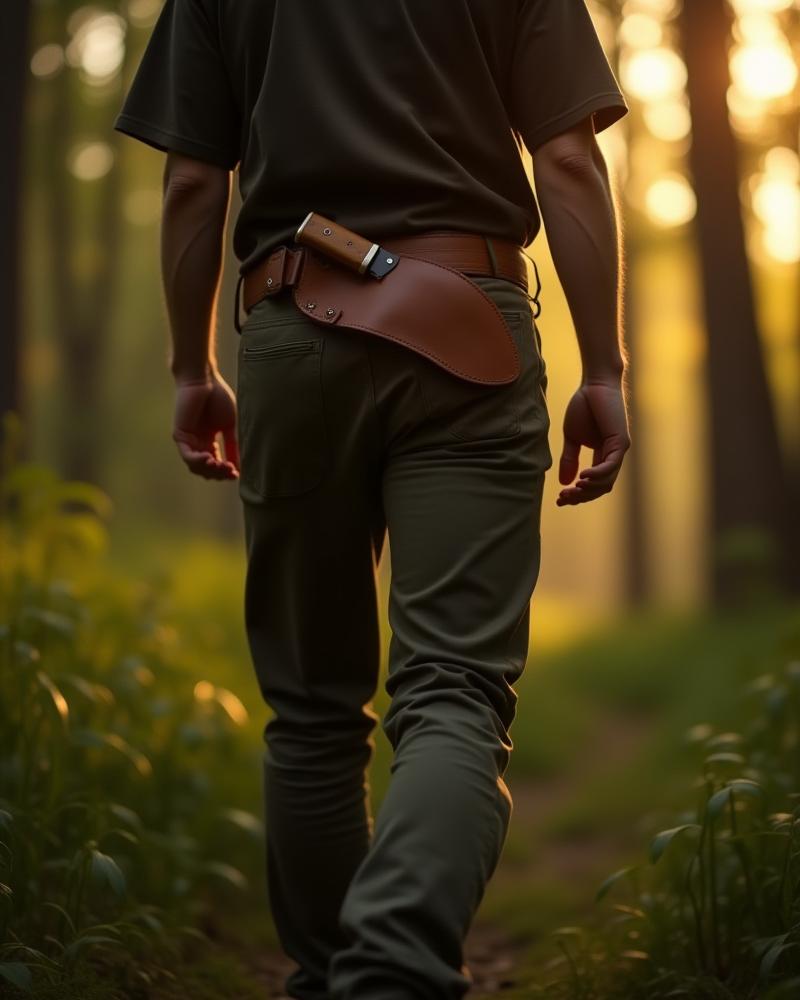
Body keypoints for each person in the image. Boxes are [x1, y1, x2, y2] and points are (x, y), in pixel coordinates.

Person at [114, 1, 631, 997]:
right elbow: (566, 161)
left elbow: (190, 179)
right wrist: (602, 367)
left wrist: (192, 366)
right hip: (466, 332)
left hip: (290, 329)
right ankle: (393, 968)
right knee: (453, 688)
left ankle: (330, 972)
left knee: (310, 706)